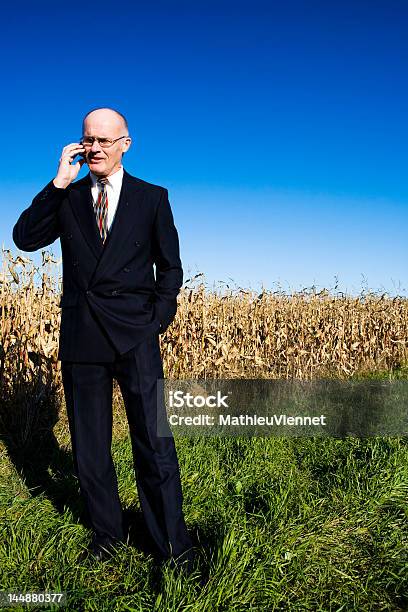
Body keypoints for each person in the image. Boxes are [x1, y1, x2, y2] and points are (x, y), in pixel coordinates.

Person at [12, 107, 195, 574]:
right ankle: (107, 538)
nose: (93, 148)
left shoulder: (152, 198)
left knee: (154, 444)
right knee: (90, 448)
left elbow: (170, 268)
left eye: (103, 141)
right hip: (83, 336)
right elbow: (25, 239)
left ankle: (172, 547)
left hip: (135, 335)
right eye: (86, 139)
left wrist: (157, 317)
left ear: (125, 144)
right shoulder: (68, 198)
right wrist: (57, 182)